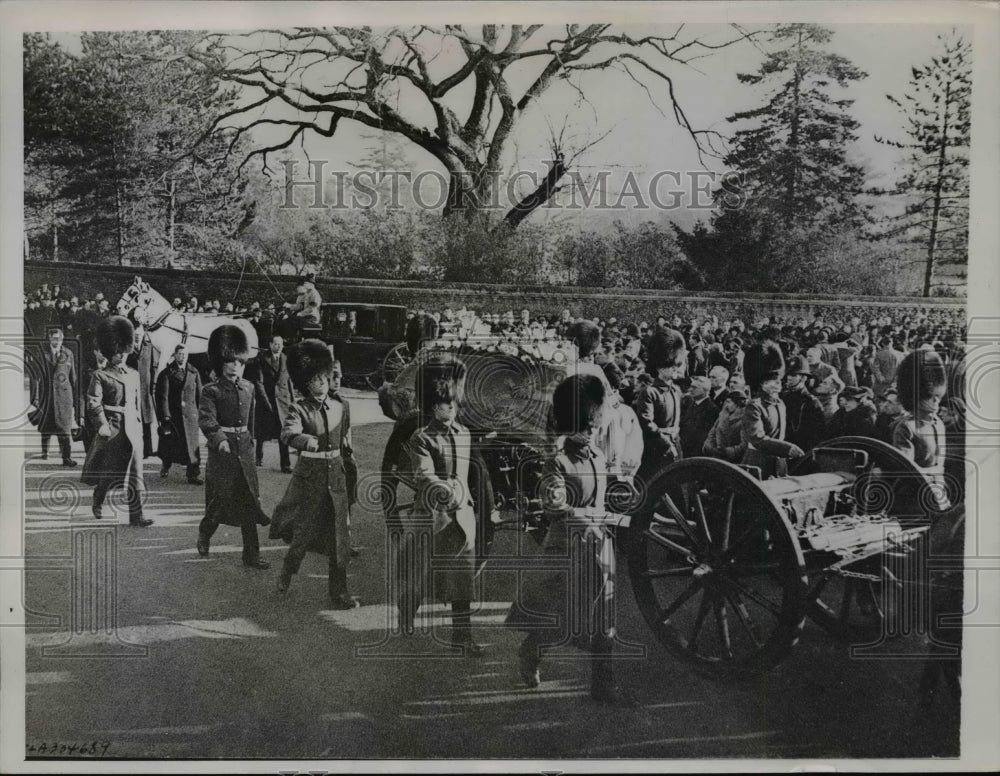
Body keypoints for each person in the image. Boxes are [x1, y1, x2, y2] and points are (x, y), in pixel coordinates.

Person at [507, 374, 636, 706]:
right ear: (571, 424)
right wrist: (585, 518)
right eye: (585, 427)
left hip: (599, 550)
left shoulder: (597, 456)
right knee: (557, 622)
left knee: (604, 621)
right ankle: (531, 651)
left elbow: (602, 495)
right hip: (566, 552)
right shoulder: (557, 461)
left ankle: (603, 686)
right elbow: (554, 505)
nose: (591, 432)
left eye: (593, 426)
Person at [399, 354, 485, 654]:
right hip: (432, 517)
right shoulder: (421, 438)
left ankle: (462, 638)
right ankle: (406, 615)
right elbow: (423, 474)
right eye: (445, 404)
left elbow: (471, 472)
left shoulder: (465, 434)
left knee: (462, 581)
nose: (451, 409)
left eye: (454, 404)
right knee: (419, 576)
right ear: (434, 407)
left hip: (461, 518)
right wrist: (442, 488)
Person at [270, 340, 359, 608]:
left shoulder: (341, 406)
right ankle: (287, 572)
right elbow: (287, 433)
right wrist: (304, 440)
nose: (321, 382)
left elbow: (345, 441)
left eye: (324, 377)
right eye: (315, 379)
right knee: (303, 533)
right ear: (305, 383)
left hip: (336, 478)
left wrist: (349, 465)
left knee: (340, 537)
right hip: (311, 479)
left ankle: (339, 592)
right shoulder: (299, 408)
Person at [196, 325, 271, 568]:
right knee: (220, 501)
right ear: (221, 362)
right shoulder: (211, 391)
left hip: (244, 451)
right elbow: (206, 419)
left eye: (239, 361)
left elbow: (251, 422)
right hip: (223, 454)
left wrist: (253, 445)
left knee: (249, 501)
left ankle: (251, 555)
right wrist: (219, 439)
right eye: (230, 361)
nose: (235, 366)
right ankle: (205, 532)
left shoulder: (248, 387)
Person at [80, 317, 153, 527]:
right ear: (110, 352)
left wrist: (143, 426)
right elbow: (93, 402)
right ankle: (98, 497)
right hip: (113, 427)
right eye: (117, 351)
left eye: (123, 351)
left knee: (136, 473)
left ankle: (137, 516)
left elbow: (138, 403)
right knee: (109, 471)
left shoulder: (134, 374)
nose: (121, 355)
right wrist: (102, 424)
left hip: (133, 427)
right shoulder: (101, 375)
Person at [890, 349, 951, 512]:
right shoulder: (906, 427)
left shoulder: (938, 423)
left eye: (937, 396)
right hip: (914, 502)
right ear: (917, 397)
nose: (936, 400)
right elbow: (907, 473)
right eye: (930, 397)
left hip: (939, 495)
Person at [740, 342, 805, 479]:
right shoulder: (754, 406)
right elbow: (757, 438)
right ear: (762, 383)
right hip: (758, 462)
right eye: (774, 381)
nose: (779, 384)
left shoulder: (780, 403)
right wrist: (786, 448)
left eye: (779, 381)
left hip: (779, 463)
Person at [634, 328, 686, 481]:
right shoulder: (649, 392)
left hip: (675, 445)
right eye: (671, 366)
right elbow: (647, 423)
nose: (675, 369)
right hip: (656, 449)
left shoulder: (676, 390)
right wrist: (666, 443)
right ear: (660, 367)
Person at [29, 327, 79, 466]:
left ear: (62, 339)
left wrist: (75, 398)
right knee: (46, 425)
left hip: (64, 397)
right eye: (53, 338)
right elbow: (35, 377)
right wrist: (35, 398)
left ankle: (66, 458)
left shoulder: (68, 353)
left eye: (58, 338)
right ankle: (45, 452)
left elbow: (73, 377)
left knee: (64, 428)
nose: (56, 341)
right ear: (50, 339)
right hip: (47, 396)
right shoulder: (42, 353)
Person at [154, 344, 203, 484]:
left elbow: (199, 394)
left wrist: (201, 412)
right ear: (175, 355)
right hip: (174, 416)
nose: (183, 356)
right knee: (170, 445)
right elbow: (162, 397)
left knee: (192, 445)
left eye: (185, 354)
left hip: (191, 415)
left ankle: (193, 474)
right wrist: (165, 417)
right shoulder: (167, 373)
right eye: (180, 354)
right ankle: (166, 465)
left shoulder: (193, 372)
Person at [246, 334, 294, 473]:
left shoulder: (286, 359)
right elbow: (259, 382)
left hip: (283, 402)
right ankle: (258, 456)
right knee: (262, 432)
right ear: (270, 345)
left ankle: (285, 464)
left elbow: (289, 381)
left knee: (283, 433)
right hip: (267, 401)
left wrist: (292, 401)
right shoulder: (262, 359)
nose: (278, 347)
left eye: (280, 344)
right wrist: (265, 401)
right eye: (275, 344)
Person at [781, 354, 826, 455]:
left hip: (801, 451)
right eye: (788, 375)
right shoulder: (782, 397)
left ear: (803, 378)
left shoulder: (811, 402)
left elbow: (817, 435)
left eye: (793, 375)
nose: (789, 378)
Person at [126, 325, 159, 458]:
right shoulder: (127, 349)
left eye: (139, 335)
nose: (137, 337)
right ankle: (133, 450)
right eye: (135, 335)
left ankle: (148, 449)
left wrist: (153, 385)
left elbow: (154, 367)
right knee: (133, 420)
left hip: (146, 389)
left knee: (147, 420)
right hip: (132, 389)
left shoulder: (149, 347)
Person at [702, 388, 749, 463]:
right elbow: (712, 434)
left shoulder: (745, 419)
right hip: (716, 457)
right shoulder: (722, 415)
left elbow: (744, 445)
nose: (726, 405)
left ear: (738, 404)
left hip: (734, 461)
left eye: (729, 402)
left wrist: (726, 452)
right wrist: (710, 447)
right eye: (726, 402)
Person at [679, 375, 719, 459]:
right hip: (684, 449)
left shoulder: (711, 409)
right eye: (691, 387)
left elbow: (705, 436)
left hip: (696, 454)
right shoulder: (690, 404)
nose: (690, 390)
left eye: (694, 387)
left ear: (705, 390)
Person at [280, 273, 322, 339]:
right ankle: (291, 338)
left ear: (311, 284)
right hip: (307, 316)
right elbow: (301, 306)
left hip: (312, 318)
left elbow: (311, 309)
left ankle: (290, 338)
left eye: (305, 283)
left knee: (291, 320)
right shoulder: (308, 293)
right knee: (290, 319)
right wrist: (290, 306)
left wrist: (301, 314)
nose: (304, 285)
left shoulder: (314, 294)